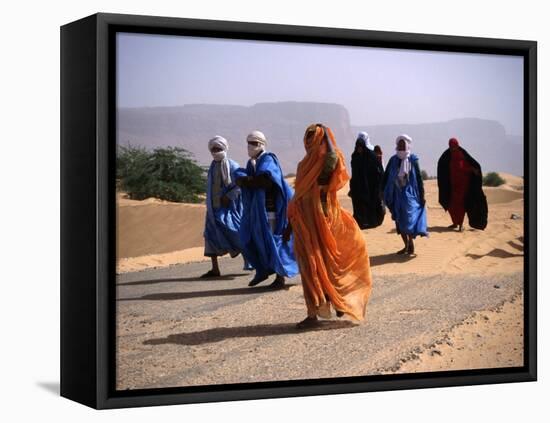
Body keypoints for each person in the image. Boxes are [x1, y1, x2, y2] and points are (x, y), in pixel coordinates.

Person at [286, 124, 373, 329]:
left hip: (323, 220)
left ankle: (336, 300)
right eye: (306, 136)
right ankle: (314, 312)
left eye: (312, 137)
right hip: (303, 222)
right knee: (310, 267)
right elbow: (298, 195)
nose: (308, 141)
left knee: (325, 264)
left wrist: (326, 137)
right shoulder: (303, 165)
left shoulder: (328, 162)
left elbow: (332, 160)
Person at [235, 130, 298, 288]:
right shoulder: (252, 162)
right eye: (249, 143)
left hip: (271, 211)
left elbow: (266, 181)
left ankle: (280, 277)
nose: (251, 146)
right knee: (250, 240)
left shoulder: (268, 159)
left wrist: (247, 180)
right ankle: (262, 271)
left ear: (262, 144)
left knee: (272, 243)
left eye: (255, 143)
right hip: (257, 212)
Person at [201, 136, 251, 278]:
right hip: (213, 210)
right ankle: (215, 269)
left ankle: (251, 261)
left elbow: (241, 185)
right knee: (210, 236)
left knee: (237, 233)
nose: (216, 152)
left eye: (218, 149)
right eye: (214, 149)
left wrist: (228, 196)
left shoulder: (233, 165)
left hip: (229, 209)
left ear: (225, 148)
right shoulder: (212, 167)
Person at [383, 134, 428, 255]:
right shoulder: (393, 160)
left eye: (403, 145)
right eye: (399, 145)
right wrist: (382, 191)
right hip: (395, 194)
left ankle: (410, 243)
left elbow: (418, 178)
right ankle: (406, 245)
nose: (401, 147)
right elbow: (386, 175)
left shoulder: (413, 159)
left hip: (410, 196)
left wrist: (422, 195)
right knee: (398, 220)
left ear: (407, 146)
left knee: (408, 220)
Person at [437, 137, 488, 231]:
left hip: (463, 186)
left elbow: (468, 164)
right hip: (451, 186)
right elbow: (442, 168)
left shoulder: (462, 154)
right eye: (451, 146)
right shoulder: (446, 155)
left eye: (454, 146)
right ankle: (455, 223)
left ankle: (460, 224)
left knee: (460, 205)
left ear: (457, 145)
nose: (453, 148)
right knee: (451, 205)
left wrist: (473, 170)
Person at [349, 132, 385, 229]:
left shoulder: (371, 156)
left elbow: (379, 170)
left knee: (371, 203)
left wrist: (379, 183)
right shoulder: (355, 157)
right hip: (358, 185)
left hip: (370, 186)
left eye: (361, 147)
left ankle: (372, 221)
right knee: (359, 205)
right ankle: (361, 222)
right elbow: (354, 171)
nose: (359, 149)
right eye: (358, 147)